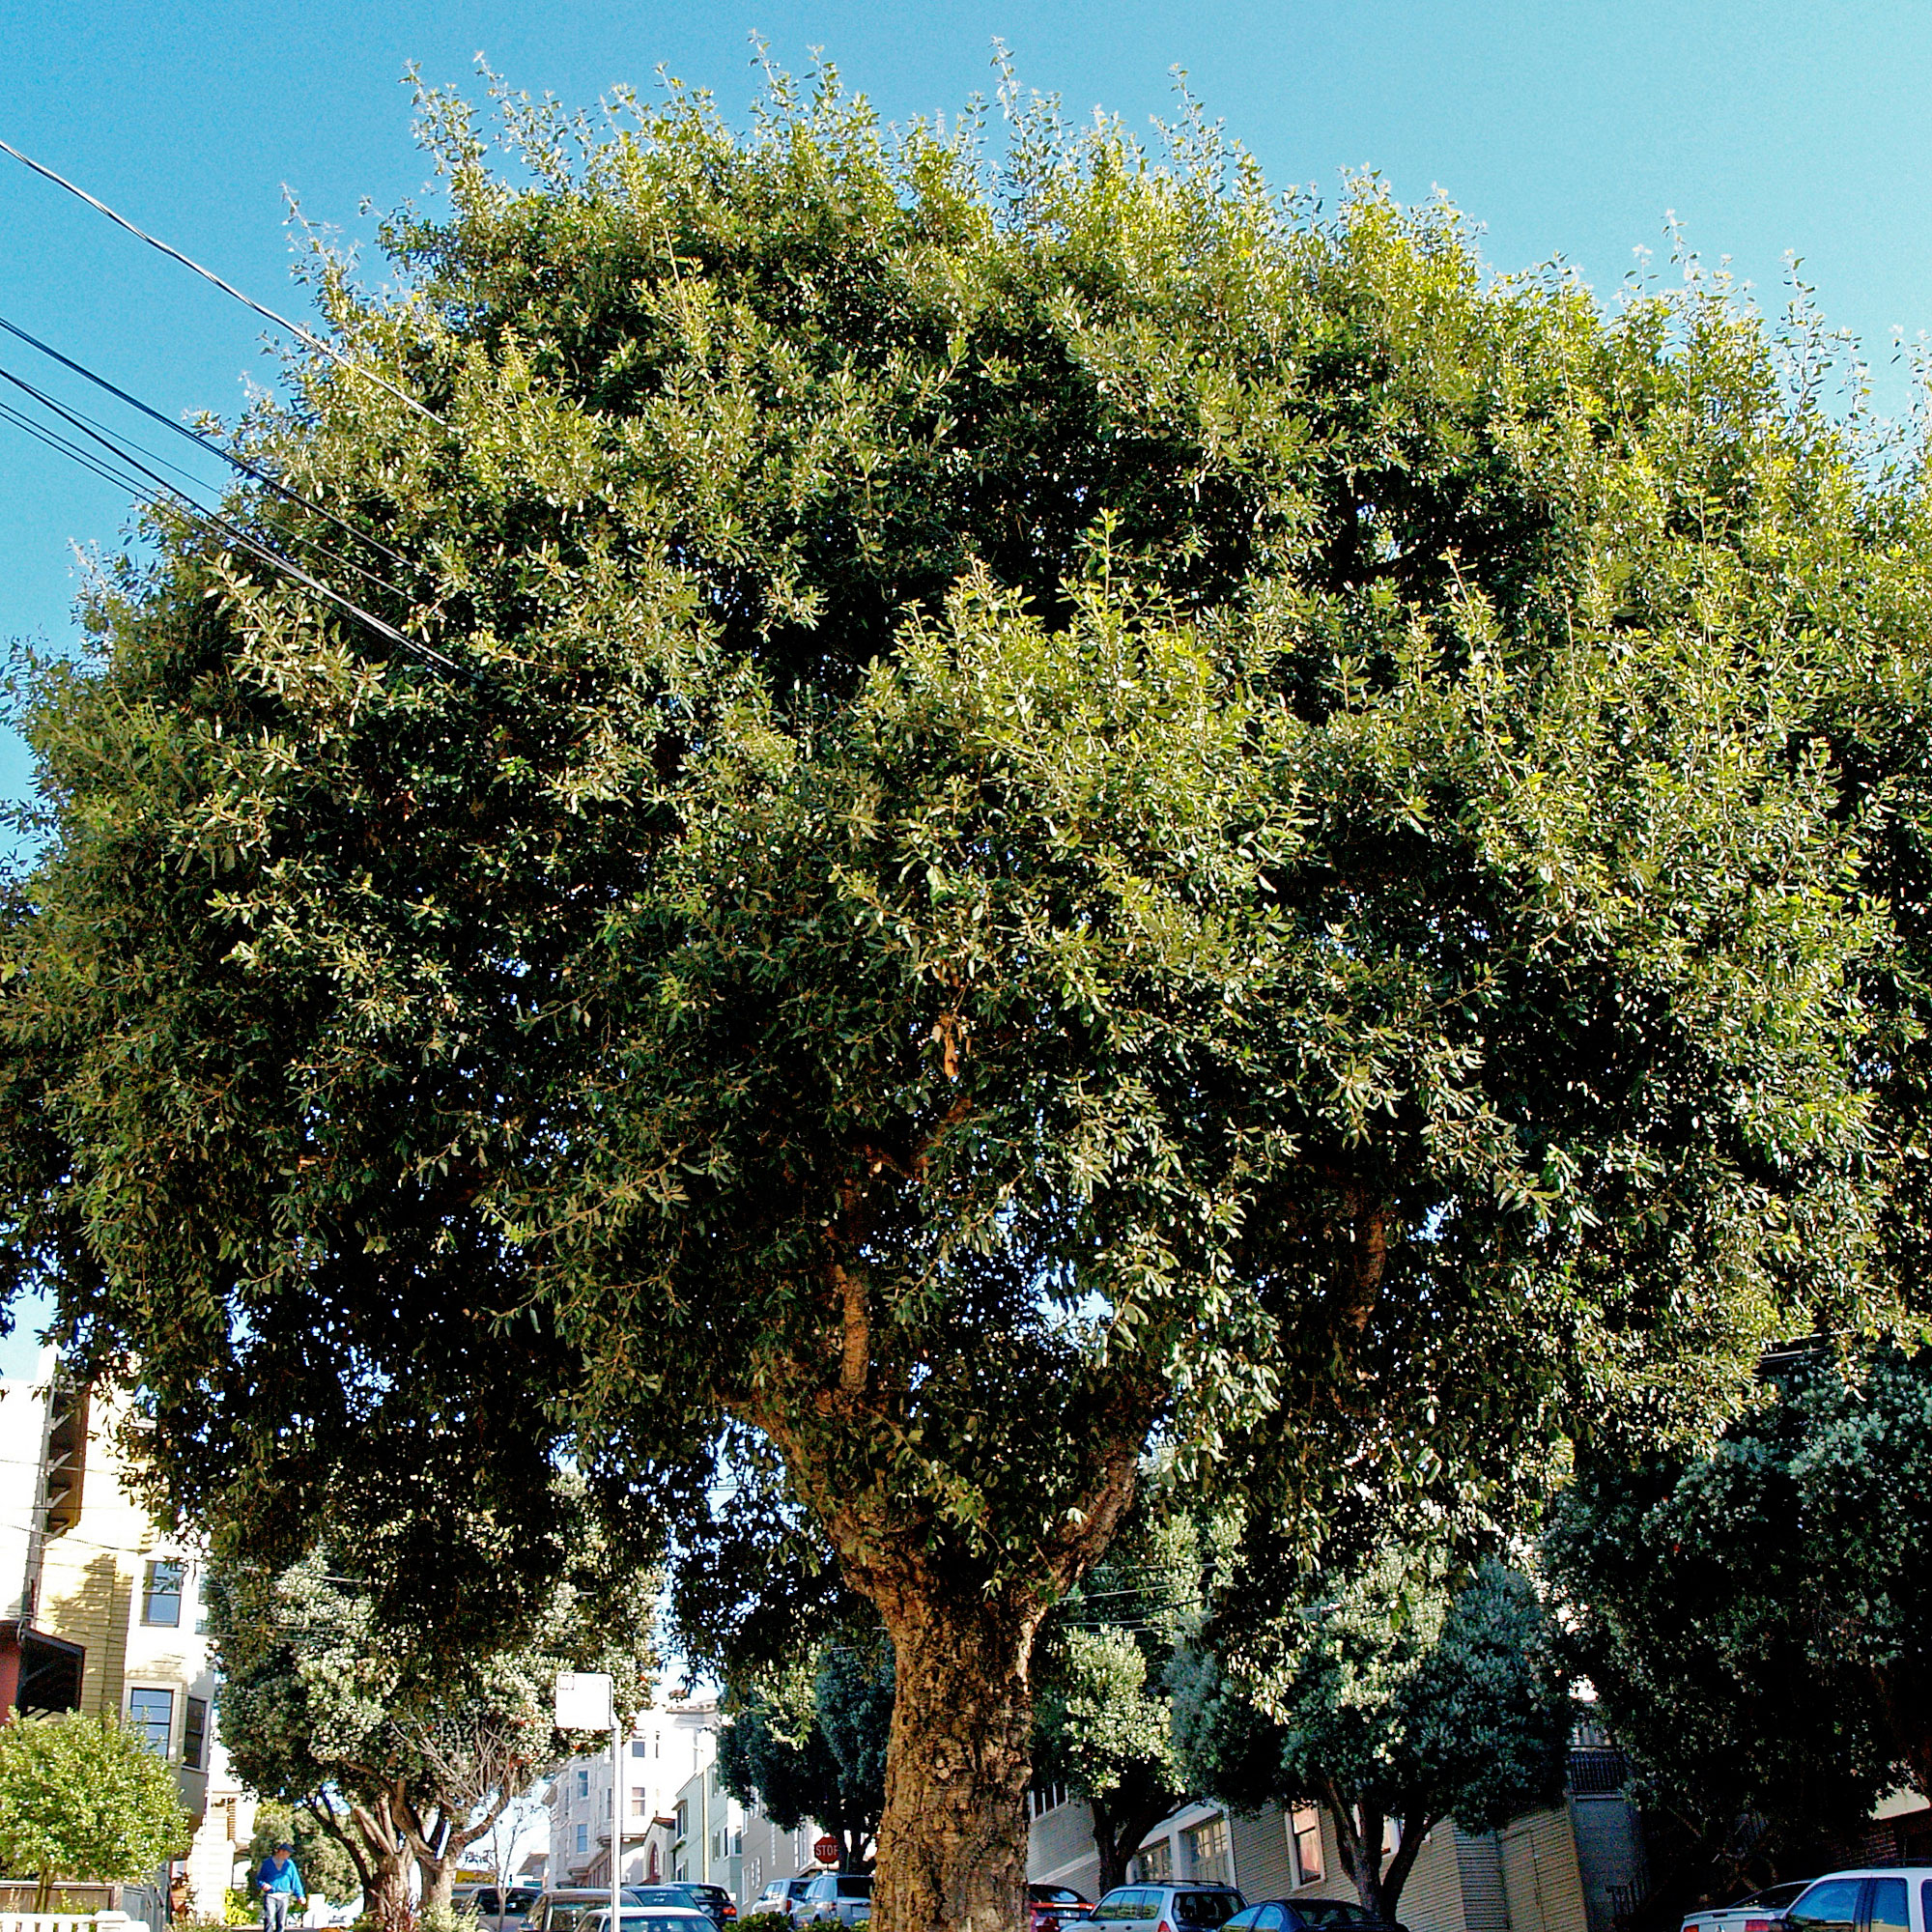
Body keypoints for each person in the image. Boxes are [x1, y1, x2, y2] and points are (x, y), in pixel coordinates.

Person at [255, 1841, 306, 1932]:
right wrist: (263, 1884)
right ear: (281, 1851)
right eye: (288, 1852)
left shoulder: (290, 1865)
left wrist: (300, 1895)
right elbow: (259, 1879)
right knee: (269, 1920)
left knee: (281, 1923)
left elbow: (295, 1881)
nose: (289, 1855)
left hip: (284, 1896)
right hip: (270, 1896)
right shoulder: (267, 1863)